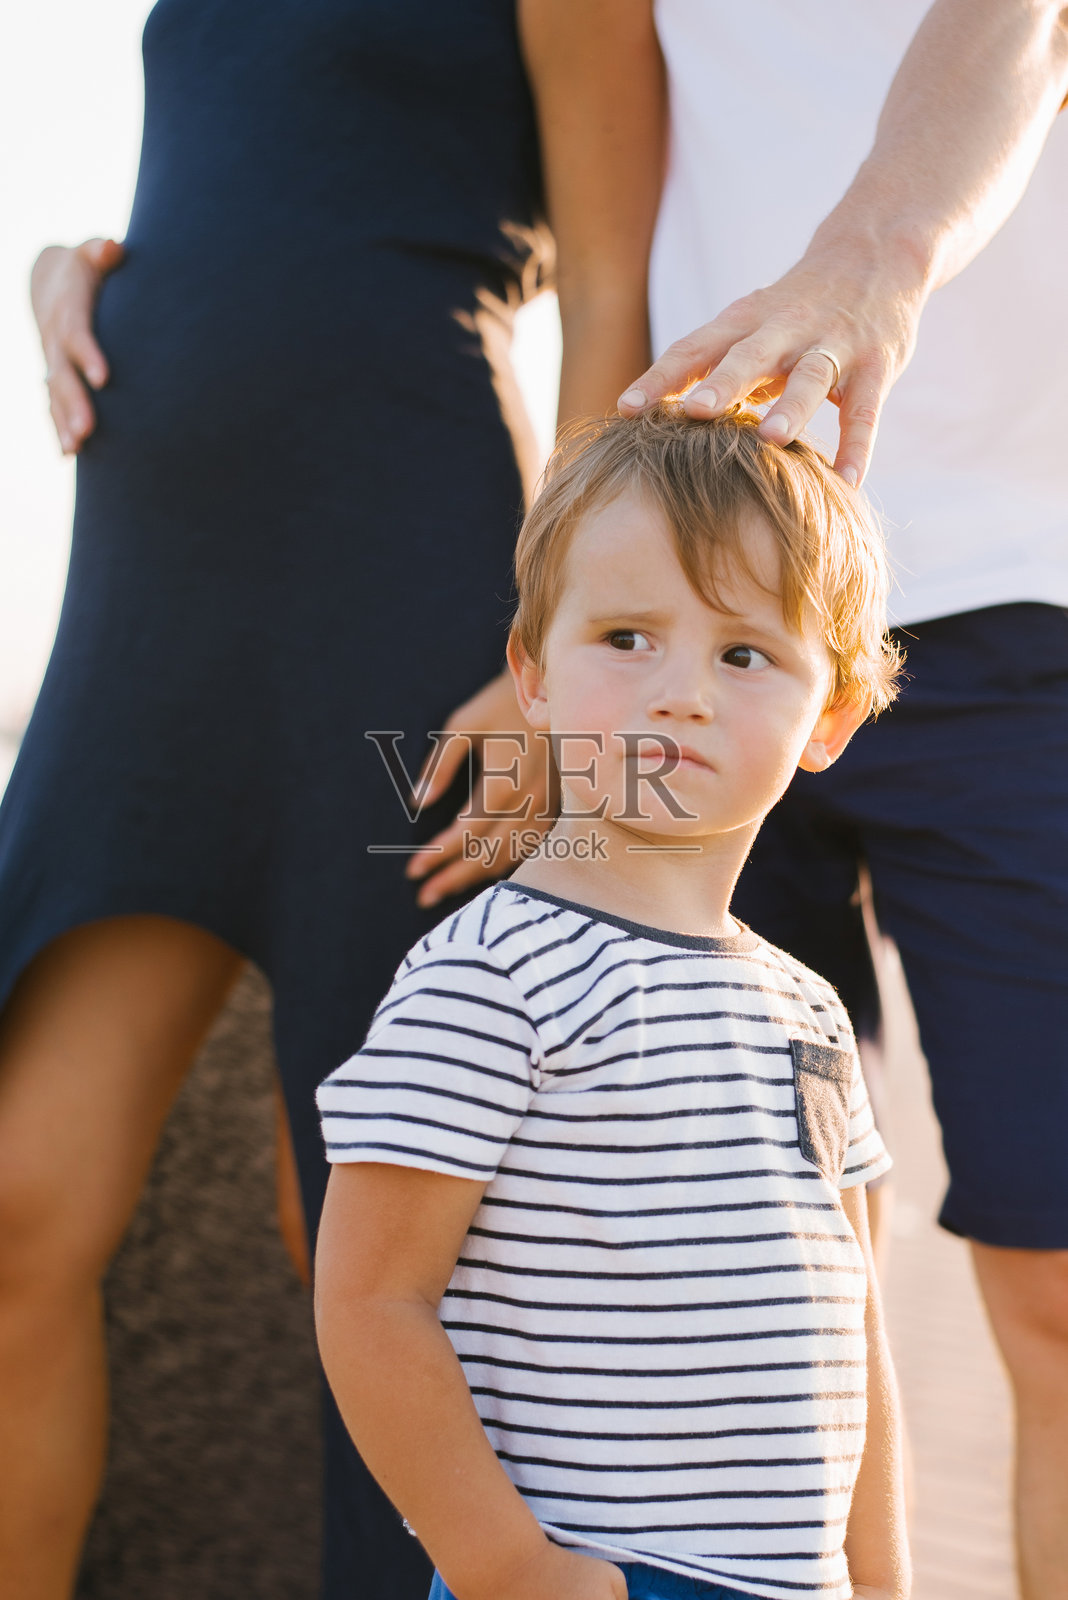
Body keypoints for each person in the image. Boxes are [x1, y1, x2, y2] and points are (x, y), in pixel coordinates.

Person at [0, 4, 667, 1598]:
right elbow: (254, 177)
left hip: (404, 587)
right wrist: (81, 262)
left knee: (372, 1238)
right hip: (148, 600)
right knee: (21, 1203)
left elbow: (616, 288)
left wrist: (554, 661)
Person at [619, 4, 1068, 1595]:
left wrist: (876, 254)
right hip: (702, 616)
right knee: (785, 1278)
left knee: (1055, 1281)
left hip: (1025, 601)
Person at [314, 407, 911, 1600]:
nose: (683, 692)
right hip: (592, 1576)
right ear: (530, 677)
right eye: (628, 635)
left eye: (745, 653)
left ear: (830, 715)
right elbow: (373, 1300)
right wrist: (509, 1568)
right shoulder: (491, 974)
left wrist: (883, 1582)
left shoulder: (809, 1011)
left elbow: (856, 1326)